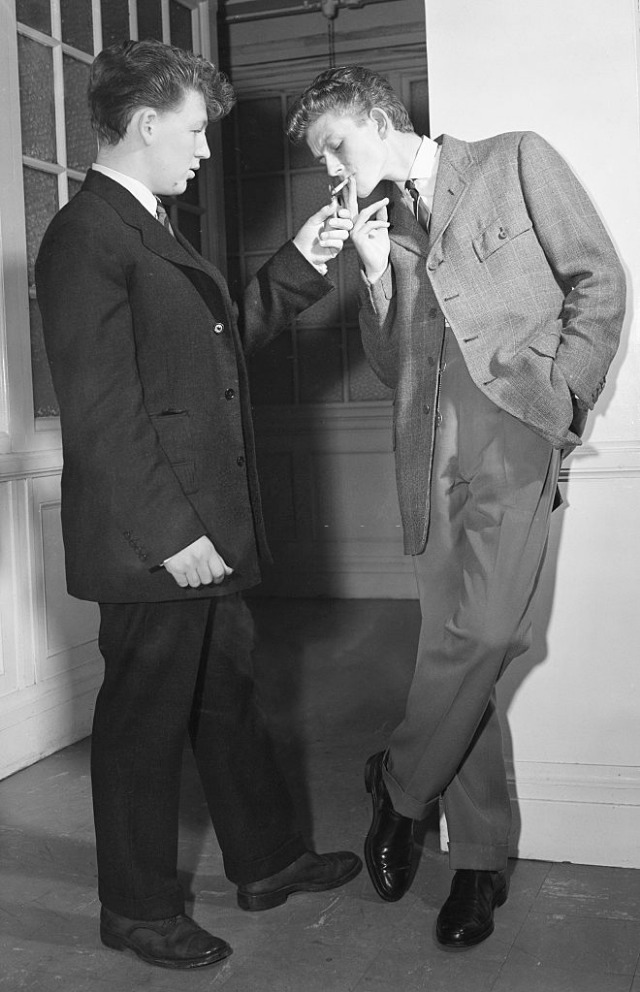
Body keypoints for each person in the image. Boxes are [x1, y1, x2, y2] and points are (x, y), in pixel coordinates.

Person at [35, 40, 361, 971]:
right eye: (192, 132)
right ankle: (135, 910)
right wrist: (175, 534)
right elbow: (104, 414)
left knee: (230, 701)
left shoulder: (147, 225)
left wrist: (301, 261)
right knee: (143, 725)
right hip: (156, 540)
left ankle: (265, 862)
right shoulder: (85, 236)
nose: (205, 152)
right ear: (144, 126)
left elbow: (208, 360)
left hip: (202, 529)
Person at [286, 65, 626, 948]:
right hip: (425, 452)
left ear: (371, 116)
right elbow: (395, 367)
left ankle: (397, 788)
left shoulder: (513, 160)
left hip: (516, 433)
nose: (329, 170)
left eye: (333, 146)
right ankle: (477, 863)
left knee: (484, 638)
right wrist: (372, 279)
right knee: (455, 652)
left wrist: (565, 399)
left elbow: (599, 277)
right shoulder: (384, 224)